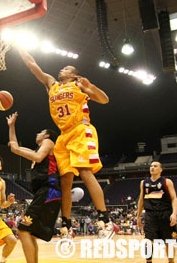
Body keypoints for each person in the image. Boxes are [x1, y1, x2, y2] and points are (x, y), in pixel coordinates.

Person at [17, 48, 117, 239]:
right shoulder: (51, 84)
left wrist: (91, 86)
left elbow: (105, 100)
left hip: (80, 130)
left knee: (85, 172)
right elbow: (33, 66)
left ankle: (106, 220)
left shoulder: (79, 86)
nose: (61, 70)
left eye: (65, 68)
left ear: (73, 74)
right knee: (65, 182)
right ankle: (66, 225)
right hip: (63, 136)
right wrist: (19, 48)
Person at [6, 111, 61, 263]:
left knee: (23, 230)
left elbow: (37, 157)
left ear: (47, 136)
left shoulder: (48, 143)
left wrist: (26, 152)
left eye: (41, 132)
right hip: (43, 193)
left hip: (48, 191)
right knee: (27, 232)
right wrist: (12, 126)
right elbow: (15, 148)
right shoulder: (38, 149)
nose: (37, 133)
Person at [136, 161, 177, 263]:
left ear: (161, 169)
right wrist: (138, 216)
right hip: (150, 214)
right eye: (151, 166)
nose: (152, 168)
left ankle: (171, 261)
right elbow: (141, 200)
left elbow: (174, 198)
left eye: (155, 166)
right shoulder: (143, 183)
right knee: (148, 240)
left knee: (169, 241)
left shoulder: (167, 182)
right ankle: (149, 261)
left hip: (165, 214)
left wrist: (174, 213)